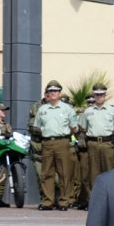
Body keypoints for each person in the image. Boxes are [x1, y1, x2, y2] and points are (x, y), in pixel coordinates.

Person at [33, 80, 78, 211]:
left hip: (62, 142)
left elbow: (74, 128)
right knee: (47, 173)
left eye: (56, 91)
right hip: (46, 142)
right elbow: (37, 127)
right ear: (48, 93)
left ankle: (64, 201)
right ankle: (48, 201)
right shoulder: (42, 109)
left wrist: (62, 135)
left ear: (60, 93)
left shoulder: (67, 109)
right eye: (51, 91)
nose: (53, 93)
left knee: (64, 173)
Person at [80, 82, 114, 196]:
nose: (99, 97)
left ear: (105, 95)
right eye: (97, 94)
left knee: (109, 171)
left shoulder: (112, 110)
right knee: (93, 173)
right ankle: (95, 199)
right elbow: (83, 128)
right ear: (94, 95)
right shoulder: (88, 111)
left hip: (107, 143)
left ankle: (110, 197)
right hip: (92, 143)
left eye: (101, 94)